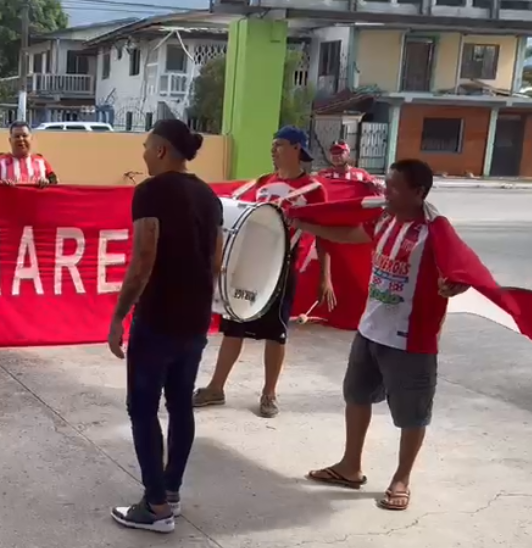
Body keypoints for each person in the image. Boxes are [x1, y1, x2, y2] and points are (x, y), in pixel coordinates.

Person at [294, 159, 467, 511]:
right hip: (370, 330)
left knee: (411, 414)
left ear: (418, 192)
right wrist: (305, 223)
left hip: (411, 341)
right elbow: (350, 234)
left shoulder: (437, 232)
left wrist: (452, 286)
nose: (385, 193)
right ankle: (350, 466)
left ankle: (401, 478)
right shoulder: (384, 220)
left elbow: (461, 272)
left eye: (393, 187)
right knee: (355, 395)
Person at [106, 119, 224, 534]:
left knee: (141, 408)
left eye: (145, 146)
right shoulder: (210, 196)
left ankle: (155, 507)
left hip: (157, 320)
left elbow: (143, 258)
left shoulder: (150, 192)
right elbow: (216, 262)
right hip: (195, 321)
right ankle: (169, 490)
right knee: (178, 406)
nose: (141, 153)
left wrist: (120, 314)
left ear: (160, 151)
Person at [193, 126, 336, 418]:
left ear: (297, 148)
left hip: (281, 268)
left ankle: (269, 393)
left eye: (280, 145)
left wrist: (326, 277)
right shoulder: (261, 183)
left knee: (276, 333)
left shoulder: (313, 189)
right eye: (272, 145)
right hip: (247, 262)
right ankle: (216, 388)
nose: (273, 150)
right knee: (234, 326)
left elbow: (325, 235)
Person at [0, 121, 58, 187]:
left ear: (31, 138)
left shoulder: (42, 162)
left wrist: (47, 182)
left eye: (24, 136)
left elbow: (55, 182)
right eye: (17, 136)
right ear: (10, 140)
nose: (21, 139)